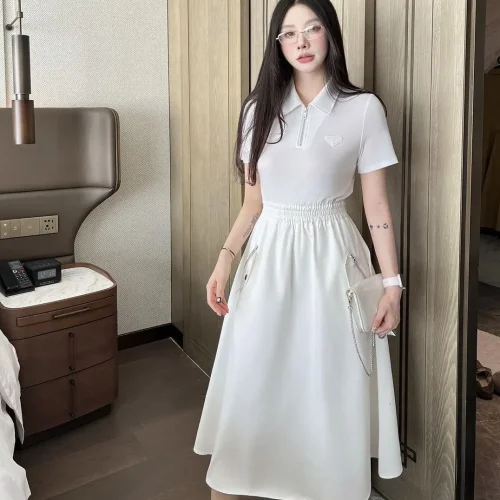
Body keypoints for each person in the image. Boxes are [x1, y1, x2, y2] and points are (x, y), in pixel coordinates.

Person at [194, 0, 404, 499]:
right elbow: (253, 203)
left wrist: (392, 284)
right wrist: (224, 260)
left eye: (312, 29)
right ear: (278, 44)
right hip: (268, 259)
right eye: (289, 33)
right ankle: (241, 480)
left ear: (330, 34)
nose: (302, 42)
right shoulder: (258, 110)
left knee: (328, 382)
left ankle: (326, 483)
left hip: (333, 260)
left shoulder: (363, 109)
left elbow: (376, 205)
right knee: (256, 376)